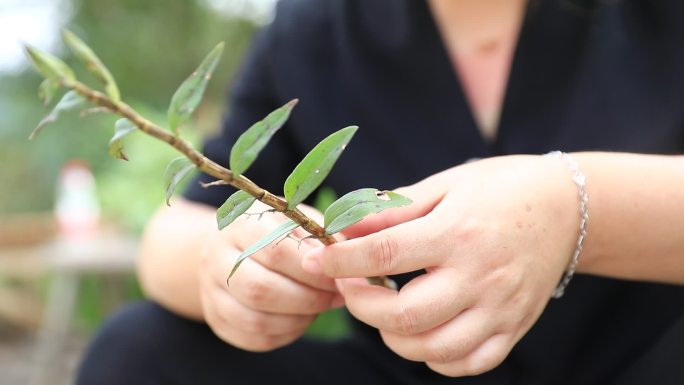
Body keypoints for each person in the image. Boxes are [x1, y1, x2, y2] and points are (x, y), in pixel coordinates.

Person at [76, 0, 684, 384]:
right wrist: (230, 266)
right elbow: (176, 228)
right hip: (407, 371)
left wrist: (576, 207)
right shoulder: (318, 29)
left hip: (648, 360)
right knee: (141, 350)